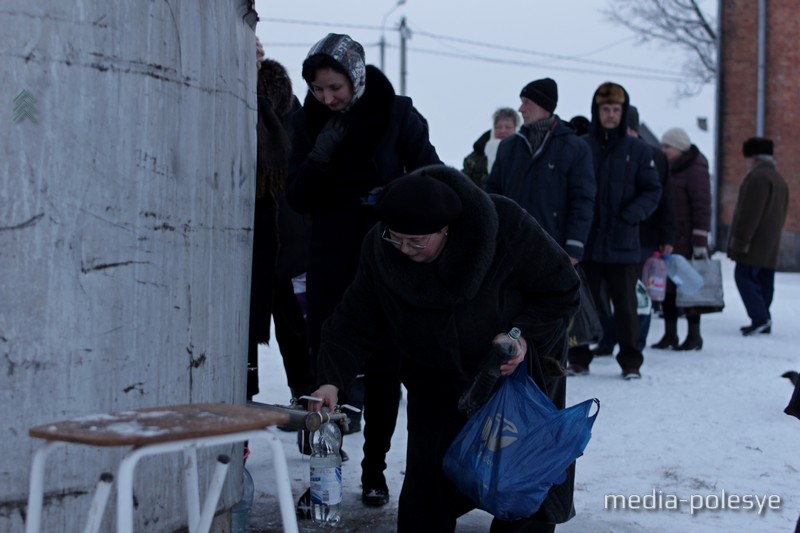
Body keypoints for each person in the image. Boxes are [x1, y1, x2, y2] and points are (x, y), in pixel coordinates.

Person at [308, 165, 581, 532]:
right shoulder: (381, 248)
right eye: (396, 238)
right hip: (434, 378)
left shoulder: (505, 224)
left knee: (520, 483)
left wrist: (519, 335)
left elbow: (562, 288)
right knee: (427, 486)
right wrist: (330, 381)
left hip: (514, 377)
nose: (404, 249)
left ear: (446, 229)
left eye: (417, 241)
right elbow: (352, 320)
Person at [286, 33, 441, 507]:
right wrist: (319, 158)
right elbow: (296, 195)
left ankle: (375, 470)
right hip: (331, 250)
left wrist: (393, 195)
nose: (326, 98)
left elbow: (431, 174)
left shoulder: (395, 113)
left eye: (334, 87)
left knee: (384, 365)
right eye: (317, 89)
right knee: (326, 359)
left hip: (387, 250)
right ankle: (324, 476)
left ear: (354, 77)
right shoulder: (309, 122)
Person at [566, 82, 661, 380]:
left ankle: (631, 361)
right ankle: (579, 357)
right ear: (597, 112)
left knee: (626, 306)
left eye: (615, 109)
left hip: (623, 242)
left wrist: (630, 215)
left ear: (623, 112)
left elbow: (652, 190)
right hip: (589, 241)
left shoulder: (639, 149)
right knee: (583, 303)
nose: (610, 115)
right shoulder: (582, 146)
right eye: (605, 109)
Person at [248, 42, 314, 402]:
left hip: (291, 239)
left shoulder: (290, 115)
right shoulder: (232, 101)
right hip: (250, 241)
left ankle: (306, 401)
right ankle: (244, 396)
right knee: (244, 327)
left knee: (296, 329)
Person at [485, 77, 595, 266]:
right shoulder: (509, 146)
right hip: (510, 245)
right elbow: (493, 191)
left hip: (554, 247)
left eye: (526, 102)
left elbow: (582, 200)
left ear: (543, 105)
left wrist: (574, 246)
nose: (520, 109)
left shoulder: (575, 147)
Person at [593, 106, 676, 356]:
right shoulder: (603, 151)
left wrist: (667, 236)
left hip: (645, 237)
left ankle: (635, 341)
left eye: (629, 129)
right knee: (605, 294)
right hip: (609, 238)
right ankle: (607, 340)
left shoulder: (653, 156)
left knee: (638, 295)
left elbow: (665, 199)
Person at [646, 127, 711, 350]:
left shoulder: (696, 169)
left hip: (690, 242)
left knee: (690, 290)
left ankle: (694, 335)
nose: (663, 151)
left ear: (680, 147)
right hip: (672, 239)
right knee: (668, 290)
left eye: (667, 147)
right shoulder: (669, 168)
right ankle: (670, 334)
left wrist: (700, 241)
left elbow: (702, 206)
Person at [727, 137, 789, 335]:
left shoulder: (757, 178)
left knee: (743, 276)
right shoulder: (778, 179)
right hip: (770, 241)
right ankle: (763, 317)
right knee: (764, 280)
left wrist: (740, 241)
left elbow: (749, 213)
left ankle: (760, 317)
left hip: (753, 242)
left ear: (753, 157)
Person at [462, 107, 521, 187]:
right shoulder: (476, 158)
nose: (503, 131)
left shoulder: (524, 153)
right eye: (498, 127)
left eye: (508, 127)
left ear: (516, 128)